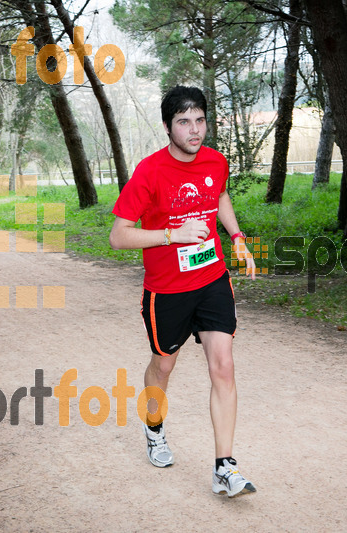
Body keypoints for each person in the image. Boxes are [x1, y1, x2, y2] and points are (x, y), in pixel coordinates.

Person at [109, 85, 257, 497]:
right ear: (167, 127)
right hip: (167, 291)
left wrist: (237, 236)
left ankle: (224, 468)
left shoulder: (215, 161)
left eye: (200, 120)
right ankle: (154, 428)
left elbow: (219, 195)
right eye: (183, 122)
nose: (194, 131)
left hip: (211, 279)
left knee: (223, 366)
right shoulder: (150, 172)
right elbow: (119, 237)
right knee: (163, 366)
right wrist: (171, 235)